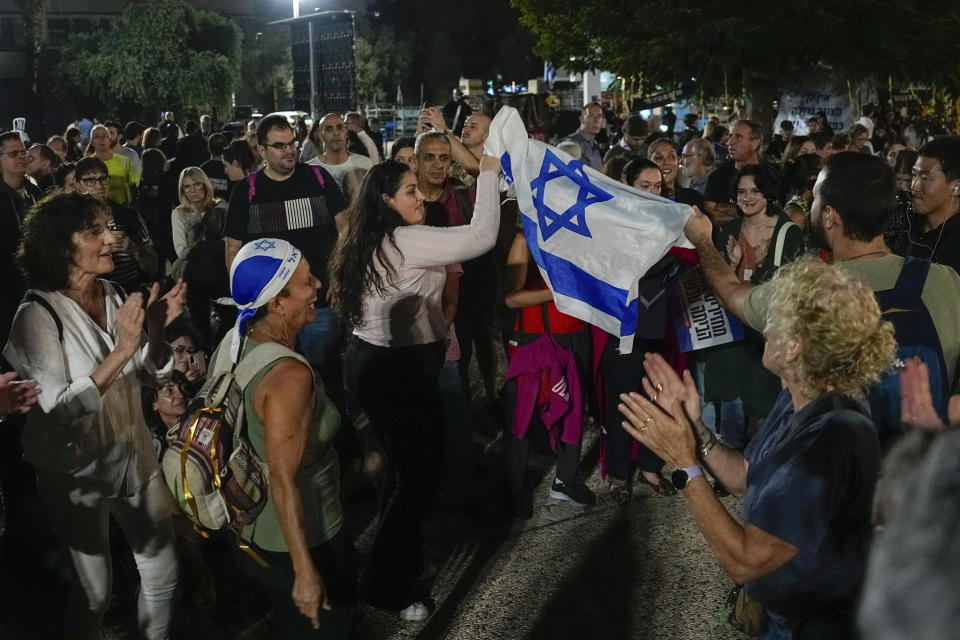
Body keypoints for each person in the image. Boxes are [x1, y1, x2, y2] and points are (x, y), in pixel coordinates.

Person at [620, 257, 896, 638]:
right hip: (783, 620)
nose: (765, 326)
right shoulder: (801, 401)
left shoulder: (831, 440)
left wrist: (684, 464)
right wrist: (697, 430)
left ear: (795, 346)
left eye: (775, 318)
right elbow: (744, 478)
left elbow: (746, 562)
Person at [3, 192, 187, 640]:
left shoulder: (114, 292)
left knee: (163, 573)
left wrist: (156, 333)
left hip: (133, 455)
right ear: (62, 246)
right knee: (95, 594)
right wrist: (124, 347)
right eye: (96, 231)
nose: (112, 238)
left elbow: (146, 372)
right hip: (76, 475)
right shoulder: (36, 314)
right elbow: (62, 409)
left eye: (111, 226)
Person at [686, 152, 960, 449]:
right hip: (920, 467)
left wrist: (702, 240)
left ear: (830, 215)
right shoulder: (945, 279)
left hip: (837, 467)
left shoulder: (803, 290)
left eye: (815, 199)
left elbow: (731, 294)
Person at [329, 156, 501, 619]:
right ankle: (383, 585)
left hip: (382, 365)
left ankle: (397, 564)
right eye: (409, 191)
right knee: (420, 479)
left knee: (405, 475)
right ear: (386, 201)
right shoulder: (402, 240)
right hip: (393, 371)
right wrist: (488, 170)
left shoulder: (380, 236)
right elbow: (482, 237)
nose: (420, 197)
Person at [220, 238, 358, 638]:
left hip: (251, 529)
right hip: (304, 539)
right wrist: (306, 574)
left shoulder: (234, 342)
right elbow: (283, 479)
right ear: (277, 303)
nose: (317, 285)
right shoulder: (289, 377)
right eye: (305, 282)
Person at [223, 114, 348, 378]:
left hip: (320, 304)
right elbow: (234, 250)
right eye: (280, 146)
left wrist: (341, 279)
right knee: (280, 378)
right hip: (271, 312)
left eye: (292, 143)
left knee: (326, 377)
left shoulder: (318, 177)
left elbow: (346, 230)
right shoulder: (246, 192)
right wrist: (246, 303)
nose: (290, 150)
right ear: (261, 150)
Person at [697, 164, 804, 453]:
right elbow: (715, 281)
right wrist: (732, 265)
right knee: (731, 401)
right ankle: (731, 462)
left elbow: (791, 289)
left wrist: (758, 269)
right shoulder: (728, 231)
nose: (747, 197)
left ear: (768, 193)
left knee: (768, 403)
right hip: (732, 332)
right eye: (742, 191)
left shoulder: (787, 233)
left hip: (766, 334)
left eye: (755, 191)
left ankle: (765, 461)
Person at [74, 156, 159, 294]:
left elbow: (153, 266)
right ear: (77, 183)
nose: (99, 186)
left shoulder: (129, 216)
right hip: (92, 293)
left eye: (103, 179)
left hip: (131, 290)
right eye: (89, 180)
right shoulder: (72, 222)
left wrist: (134, 249)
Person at [0, 130, 43, 342]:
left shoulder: (34, 191)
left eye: (23, 152)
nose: (21, 157)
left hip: (38, 281)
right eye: (13, 153)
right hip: (7, 288)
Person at [903, 136, 960, 275]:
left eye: (925, 178)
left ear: (956, 187)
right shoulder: (903, 224)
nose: (914, 186)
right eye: (914, 175)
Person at [703, 120, 764, 223]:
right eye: (731, 136)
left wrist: (722, 207)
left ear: (755, 144)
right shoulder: (719, 175)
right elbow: (711, 214)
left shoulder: (769, 176)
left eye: (738, 137)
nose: (730, 142)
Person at [307, 113, 374, 203]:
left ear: (345, 132)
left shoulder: (365, 163)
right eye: (329, 129)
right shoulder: (310, 168)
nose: (336, 133)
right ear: (320, 135)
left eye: (340, 127)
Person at [171, 167, 226, 259]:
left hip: (221, 262)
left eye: (197, 184)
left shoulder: (220, 207)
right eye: (187, 186)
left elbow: (228, 242)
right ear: (183, 190)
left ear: (205, 185)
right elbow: (181, 251)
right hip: (194, 265)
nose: (193, 190)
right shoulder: (179, 213)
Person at [89, 124, 138, 205]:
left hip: (122, 209)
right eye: (97, 136)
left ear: (110, 140)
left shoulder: (124, 161)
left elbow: (133, 188)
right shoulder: (86, 164)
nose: (102, 139)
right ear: (92, 142)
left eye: (105, 136)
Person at [648, 137, 703, 207]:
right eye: (659, 158)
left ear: (678, 162)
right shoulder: (642, 198)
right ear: (649, 163)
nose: (666, 162)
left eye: (671, 157)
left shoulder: (693, 199)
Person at [563, 102, 605, 171]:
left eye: (599, 116)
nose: (596, 121)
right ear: (582, 119)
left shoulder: (596, 146)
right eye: (591, 116)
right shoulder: (571, 144)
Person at [200, 132, 230, 199]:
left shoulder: (202, 169)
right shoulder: (231, 169)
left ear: (209, 148)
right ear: (226, 148)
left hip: (207, 208)